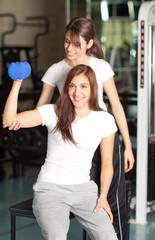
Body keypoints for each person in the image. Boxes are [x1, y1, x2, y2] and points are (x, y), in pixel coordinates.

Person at [3, 17, 134, 239]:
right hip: (65, 143)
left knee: (110, 201)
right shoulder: (56, 80)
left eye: (76, 43)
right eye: (67, 42)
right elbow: (40, 109)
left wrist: (128, 147)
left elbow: (117, 107)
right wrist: (30, 116)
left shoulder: (101, 72)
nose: (70, 48)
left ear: (89, 43)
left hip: (101, 136)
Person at [3, 64, 118, 240]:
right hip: (50, 189)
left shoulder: (105, 121)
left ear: (93, 88)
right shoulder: (54, 112)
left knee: (109, 236)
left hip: (84, 191)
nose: (76, 92)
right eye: (71, 86)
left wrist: (102, 197)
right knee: (56, 237)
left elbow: (108, 164)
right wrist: (17, 82)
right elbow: (9, 120)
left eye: (83, 86)